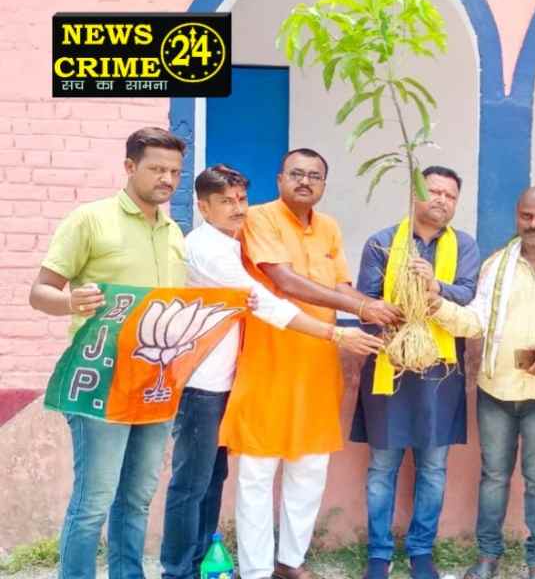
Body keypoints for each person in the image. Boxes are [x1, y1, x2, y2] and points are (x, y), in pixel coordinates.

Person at [160, 164, 382, 579]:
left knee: (228, 478)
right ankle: (225, 571)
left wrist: (369, 306)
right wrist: (341, 329)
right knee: (218, 480)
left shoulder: (258, 237)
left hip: (293, 371)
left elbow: (339, 286)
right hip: (237, 373)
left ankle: (278, 564)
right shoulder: (224, 241)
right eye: (225, 201)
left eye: (240, 199)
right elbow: (274, 293)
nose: (237, 208)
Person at [219, 148, 402, 579]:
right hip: (267, 365)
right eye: (296, 174)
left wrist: (376, 307)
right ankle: (256, 571)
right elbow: (284, 281)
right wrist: (360, 307)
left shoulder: (329, 228)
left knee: (309, 471)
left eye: (314, 176)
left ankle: (290, 562)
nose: (305, 181)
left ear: (323, 184)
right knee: (257, 474)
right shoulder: (259, 219)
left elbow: (341, 286)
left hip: (318, 366)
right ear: (280, 179)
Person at [28, 127, 188, 579]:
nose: (167, 179)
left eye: (174, 171)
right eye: (156, 168)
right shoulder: (90, 220)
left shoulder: (174, 231)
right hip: (99, 378)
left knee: (137, 499)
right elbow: (40, 293)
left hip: (155, 382)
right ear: (129, 167)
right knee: (94, 501)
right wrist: (70, 302)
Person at [430, 187, 535, 579]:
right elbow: (476, 320)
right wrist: (437, 306)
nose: (533, 224)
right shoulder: (496, 265)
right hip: (497, 389)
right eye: (527, 216)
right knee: (493, 476)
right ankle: (488, 556)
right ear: (517, 216)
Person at [351, 165, 480, 579]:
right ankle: (379, 554)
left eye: (450, 195)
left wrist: (435, 286)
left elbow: (468, 294)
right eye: (434, 191)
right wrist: (396, 308)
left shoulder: (464, 245)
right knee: (382, 467)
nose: (442, 200)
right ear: (415, 194)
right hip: (389, 366)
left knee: (433, 467)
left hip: (440, 371)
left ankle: (421, 551)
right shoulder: (383, 243)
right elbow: (365, 302)